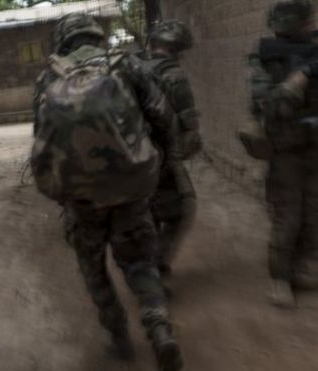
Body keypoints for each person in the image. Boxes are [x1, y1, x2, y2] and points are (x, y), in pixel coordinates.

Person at [31, 13, 183, 371]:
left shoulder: (48, 77)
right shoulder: (127, 64)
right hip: (130, 185)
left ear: (63, 41)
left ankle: (118, 337)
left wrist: (57, 186)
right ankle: (158, 327)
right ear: (97, 36)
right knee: (139, 262)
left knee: (93, 265)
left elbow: (42, 137)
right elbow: (162, 117)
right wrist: (159, 163)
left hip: (81, 196)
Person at [246, 0, 318, 307]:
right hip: (287, 148)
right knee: (287, 213)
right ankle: (280, 279)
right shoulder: (265, 59)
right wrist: (302, 75)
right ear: (292, 25)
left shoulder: (317, 52)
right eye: (307, 22)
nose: (313, 26)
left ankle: (308, 266)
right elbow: (266, 104)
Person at [144, 20, 203, 277]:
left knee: (146, 213)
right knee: (183, 207)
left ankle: (146, 268)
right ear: (177, 49)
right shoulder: (174, 75)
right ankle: (156, 267)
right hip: (163, 157)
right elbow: (190, 126)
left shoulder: (133, 70)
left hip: (130, 157)